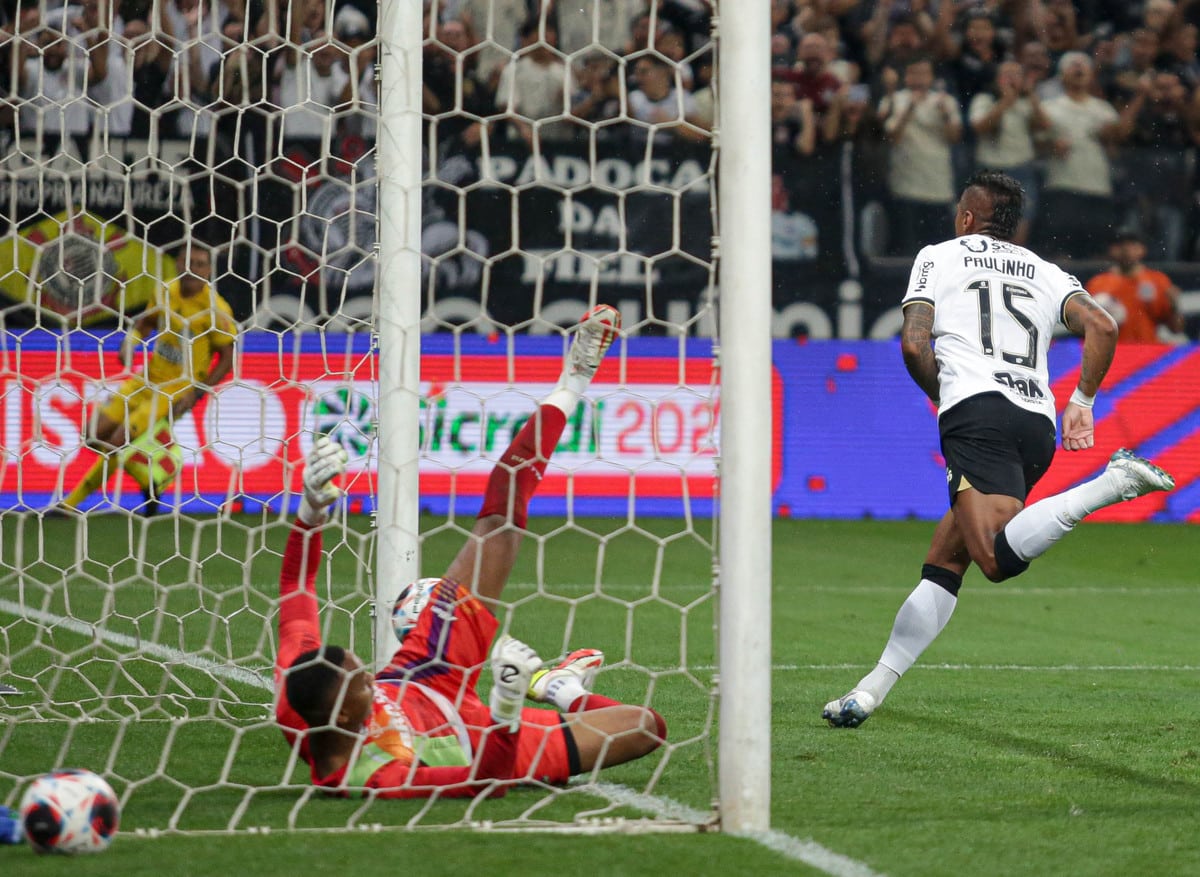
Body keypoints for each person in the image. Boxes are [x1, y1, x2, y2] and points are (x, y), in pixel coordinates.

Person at [822, 171, 1176, 729]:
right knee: (946, 561)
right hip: (1035, 424)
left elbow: (914, 344)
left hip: (976, 413)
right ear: (1015, 227)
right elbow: (1104, 326)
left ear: (966, 218)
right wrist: (1081, 401)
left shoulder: (939, 255)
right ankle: (867, 694)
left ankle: (1113, 485)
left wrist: (946, 394)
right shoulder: (1047, 271)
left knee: (993, 559)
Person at [276, 305, 667, 797]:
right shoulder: (381, 777)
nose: (370, 678)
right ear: (349, 715)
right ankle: (556, 689)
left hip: (427, 673)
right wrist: (504, 708)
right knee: (645, 726)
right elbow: (486, 780)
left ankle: (574, 380)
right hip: (482, 741)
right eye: (362, 681)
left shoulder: (295, 696)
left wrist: (311, 511)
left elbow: (296, 586)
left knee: (500, 519)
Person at [58, 242, 236, 514]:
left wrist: (197, 392)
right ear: (177, 263)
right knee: (93, 435)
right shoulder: (165, 290)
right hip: (147, 379)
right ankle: (152, 478)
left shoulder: (217, 309)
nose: (192, 270)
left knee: (119, 442)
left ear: (210, 270)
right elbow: (147, 322)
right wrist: (131, 341)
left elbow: (227, 357)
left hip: (176, 391)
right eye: (188, 263)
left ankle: (70, 504)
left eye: (200, 264)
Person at [1085, 231, 1186, 344]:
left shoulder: (1158, 281)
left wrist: (1174, 307)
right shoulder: (1097, 284)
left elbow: (1176, 329)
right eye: (1120, 244)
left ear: (1142, 249)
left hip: (1147, 353)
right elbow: (1083, 328)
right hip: (1110, 353)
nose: (1126, 249)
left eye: (1132, 244)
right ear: (1111, 250)